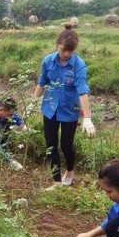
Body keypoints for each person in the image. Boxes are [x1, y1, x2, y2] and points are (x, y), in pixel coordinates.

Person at [34, 24, 95, 190]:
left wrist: (87, 118)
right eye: (63, 50)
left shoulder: (78, 65)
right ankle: (56, 182)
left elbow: (82, 92)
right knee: (51, 144)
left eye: (70, 51)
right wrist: (33, 102)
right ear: (57, 45)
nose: (66, 54)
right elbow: (42, 82)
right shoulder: (48, 61)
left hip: (69, 110)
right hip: (50, 108)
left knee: (66, 145)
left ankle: (69, 170)